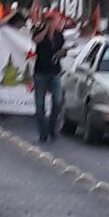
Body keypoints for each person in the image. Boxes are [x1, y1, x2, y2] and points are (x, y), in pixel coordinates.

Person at [32, 13, 66, 142]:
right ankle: (43, 132)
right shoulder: (38, 32)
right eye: (50, 22)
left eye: (54, 21)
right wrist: (46, 30)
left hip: (55, 71)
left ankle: (52, 128)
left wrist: (61, 53)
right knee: (40, 105)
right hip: (40, 72)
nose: (53, 24)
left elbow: (62, 50)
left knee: (57, 101)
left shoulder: (59, 35)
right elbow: (36, 41)